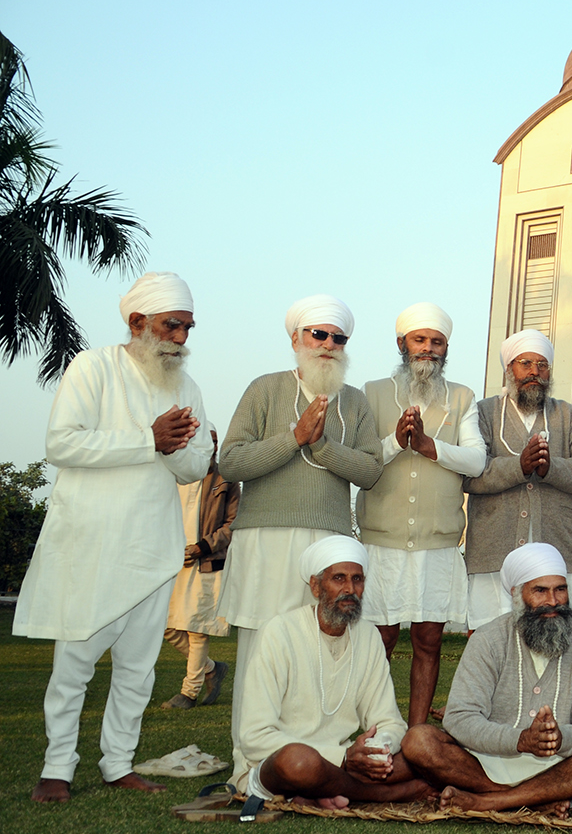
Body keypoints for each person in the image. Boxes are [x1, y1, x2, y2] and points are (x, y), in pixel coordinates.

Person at [16, 273, 212, 802]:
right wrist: (148, 440)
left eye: (188, 328)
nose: (180, 338)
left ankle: (118, 763)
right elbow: (62, 444)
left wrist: (175, 449)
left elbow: (196, 466)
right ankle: (57, 768)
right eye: (172, 325)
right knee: (73, 667)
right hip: (93, 545)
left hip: (154, 548)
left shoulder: (187, 387)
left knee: (137, 669)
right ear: (137, 322)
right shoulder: (93, 366)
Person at [217, 294, 383, 779]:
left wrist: (322, 445)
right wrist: (292, 438)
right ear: (296, 338)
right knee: (260, 653)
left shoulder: (355, 401)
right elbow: (231, 462)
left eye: (338, 337)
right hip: (265, 540)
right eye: (318, 334)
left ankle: (315, 759)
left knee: (317, 650)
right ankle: (248, 768)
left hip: (329, 544)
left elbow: (371, 471)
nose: (328, 344)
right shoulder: (265, 388)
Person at [402, 543, 572, 814]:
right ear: (516, 594)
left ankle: (489, 801)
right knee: (418, 741)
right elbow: (459, 717)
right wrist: (519, 740)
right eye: (540, 591)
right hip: (487, 761)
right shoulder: (488, 639)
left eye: (560, 589)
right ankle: (535, 797)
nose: (553, 601)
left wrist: (562, 738)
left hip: (562, 763)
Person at [356, 302, 485, 728]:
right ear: (402, 344)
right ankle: (376, 730)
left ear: (446, 348)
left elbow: (477, 460)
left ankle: (415, 733)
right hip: (382, 539)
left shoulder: (462, 397)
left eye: (437, 341)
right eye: (420, 339)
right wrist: (395, 442)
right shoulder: (371, 393)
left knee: (429, 640)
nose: (428, 348)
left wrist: (432, 448)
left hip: (437, 541)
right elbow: (359, 459)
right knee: (380, 639)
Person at [238, 537, 432, 807]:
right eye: (339, 578)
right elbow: (254, 737)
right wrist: (342, 757)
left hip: (346, 763)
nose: (350, 589)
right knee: (298, 761)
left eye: (357, 579)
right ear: (316, 586)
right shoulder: (279, 632)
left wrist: (375, 752)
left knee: (422, 753)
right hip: (280, 763)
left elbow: (390, 722)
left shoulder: (368, 636)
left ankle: (322, 792)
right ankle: (382, 794)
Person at [463, 329, 572, 630]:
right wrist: (519, 467)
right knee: (489, 637)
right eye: (525, 363)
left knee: (556, 638)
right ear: (509, 369)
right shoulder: (484, 413)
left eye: (542, 365)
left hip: (557, 554)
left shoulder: (568, 416)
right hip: (493, 555)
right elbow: (468, 474)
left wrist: (551, 469)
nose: (534, 372)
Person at [161, 427, 238, 709]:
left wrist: (202, 547)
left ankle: (189, 693)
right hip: (172, 561)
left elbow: (233, 524)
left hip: (206, 561)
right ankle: (211, 669)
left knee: (196, 629)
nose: (213, 446)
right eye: (208, 441)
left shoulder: (225, 478)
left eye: (216, 441)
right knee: (165, 625)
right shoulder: (173, 474)